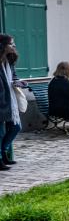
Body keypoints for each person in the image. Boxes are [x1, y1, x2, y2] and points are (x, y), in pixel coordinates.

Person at [0, 34, 25, 169]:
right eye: (11, 43)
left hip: (10, 101)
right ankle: (0, 158)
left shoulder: (9, 61)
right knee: (1, 132)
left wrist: (17, 82)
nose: (14, 46)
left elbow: (14, 76)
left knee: (16, 127)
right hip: (1, 101)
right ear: (3, 45)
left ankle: (3, 153)